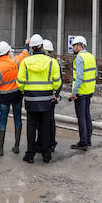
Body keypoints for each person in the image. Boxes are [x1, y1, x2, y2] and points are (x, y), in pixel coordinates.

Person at [16, 34, 61, 164]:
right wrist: (53, 93)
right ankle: (46, 155)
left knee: (31, 127)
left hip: (30, 100)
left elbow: (19, 82)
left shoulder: (25, 62)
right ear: (42, 46)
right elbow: (57, 82)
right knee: (45, 128)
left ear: (31, 48)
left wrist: (26, 92)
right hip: (47, 100)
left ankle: (30, 154)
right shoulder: (52, 62)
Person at [0, 40, 28, 156]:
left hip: (4, 98)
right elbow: (25, 53)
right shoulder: (15, 61)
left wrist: (2, 87)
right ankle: (16, 146)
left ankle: (0, 149)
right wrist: (26, 43)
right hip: (17, 95)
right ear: (8, 52)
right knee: (17, 119)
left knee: (2, 121)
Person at [69, 36, 96, 151]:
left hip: (81, 92)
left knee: (81, 117)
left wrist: (74, 93)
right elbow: (95, 75)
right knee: (87, 115)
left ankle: (83, 142)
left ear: (79, 46)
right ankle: (88, 139)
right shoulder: (90, 56)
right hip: (89, 91)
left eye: (74, 46)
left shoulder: (79, 58)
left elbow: (79, 77)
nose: (73, 48)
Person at [42, 39, 60, 152]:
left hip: (42, 97)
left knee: (42, 122)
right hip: (50, 97)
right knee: (50, 120)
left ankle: (45, 143)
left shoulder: (43, 62)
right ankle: (50, 143)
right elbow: (59, 81)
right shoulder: (54, 62)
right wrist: (55, 95)